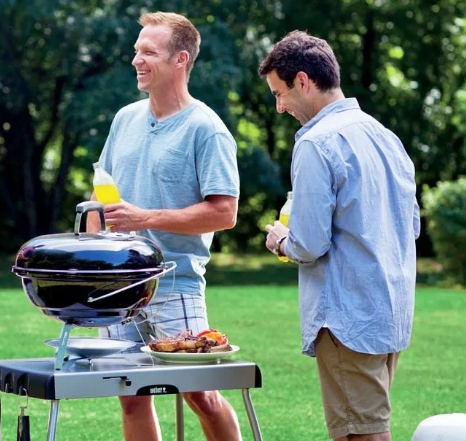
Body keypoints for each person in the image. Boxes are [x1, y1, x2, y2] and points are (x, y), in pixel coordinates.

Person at [87, 12, 242, 441]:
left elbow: (224, 213)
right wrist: (91, 249)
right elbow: (105, 196)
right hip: (119, 285)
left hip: (176, 283)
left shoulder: (207, 130)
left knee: (201, 395)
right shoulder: (125, 119)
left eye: (148, 52)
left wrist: (144, 218)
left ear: (180, 60)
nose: (136, 59)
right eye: (136, 51)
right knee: (131, 394)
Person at [259, 31, 420, 441]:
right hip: (389, 311)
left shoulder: (316, 142)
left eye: (280, 94)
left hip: (347, 316)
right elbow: (411, 226)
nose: (279, 108)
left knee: (361, 434)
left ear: (302, 81)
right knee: (362, 427)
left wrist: (281, 240)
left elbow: (310, 243)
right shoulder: (385, 136)